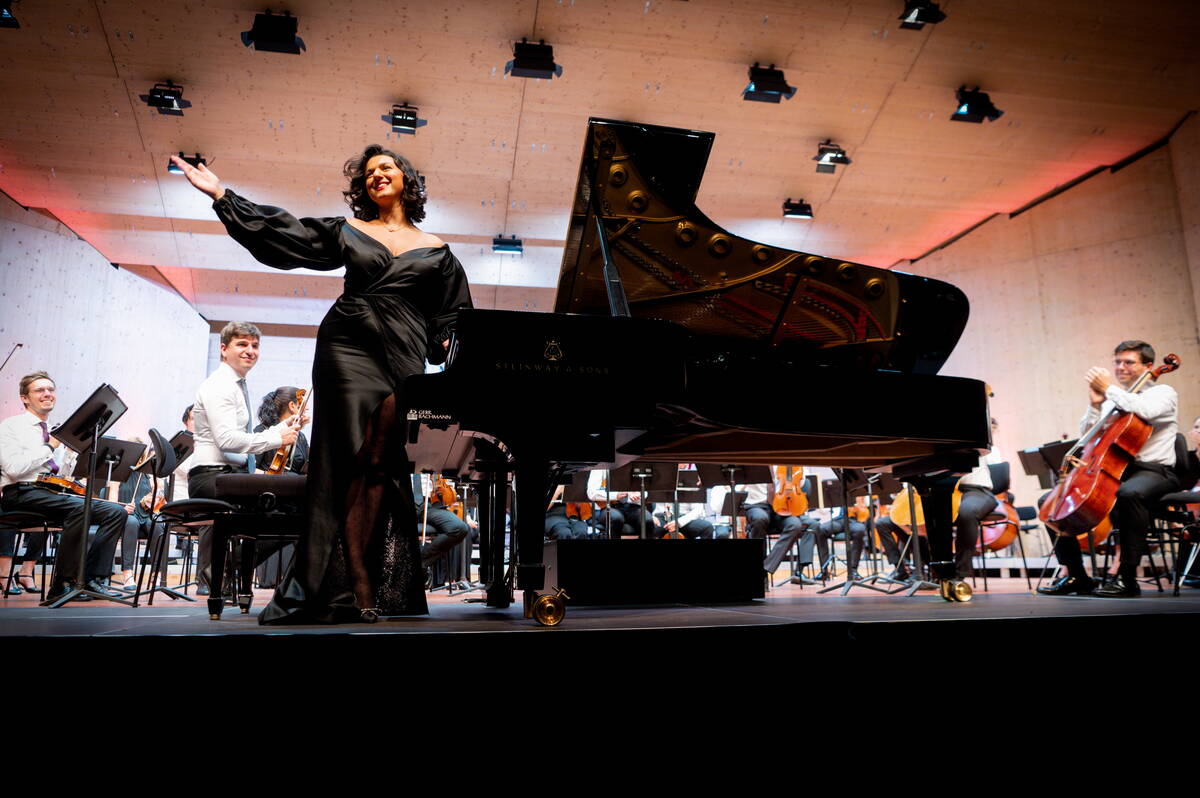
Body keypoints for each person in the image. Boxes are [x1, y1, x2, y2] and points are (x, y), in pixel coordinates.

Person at [172, 144, 472, 623]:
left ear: (407, 180)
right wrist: (224, 196)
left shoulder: (438, 251)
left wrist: (446, 349)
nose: (377, 175)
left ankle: (362, 575)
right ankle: (352, 582)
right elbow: (287, 236)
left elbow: (454, 317)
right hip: (346, 346)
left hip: (404, 353)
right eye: (369, 172)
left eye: (387, 168)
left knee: (381, 464)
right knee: (347, 462)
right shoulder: (347, 230)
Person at [1038, 340, 1179, 598]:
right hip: (1115, 470)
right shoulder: (1111, 400)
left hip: (1154, 471)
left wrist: (1109, 389)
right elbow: (1087, 436)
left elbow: (1144, 410)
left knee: (1129, 494)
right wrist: (1094, 405)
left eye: (1128, 362)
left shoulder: (1163, 393)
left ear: (1148, 366)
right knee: (1050, 501)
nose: (1120, 367)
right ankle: (1076, 576)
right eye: (1117, 361)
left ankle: (1127, 579)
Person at [187, 322, 301, 593]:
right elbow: (228, 441)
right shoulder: (220, 385)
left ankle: (232, 567)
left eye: (255, 345)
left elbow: (239, 438)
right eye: (242, 344)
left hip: (227, 475)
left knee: (296, 501)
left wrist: (286, 427)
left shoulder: (235, 384)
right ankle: (230, 566)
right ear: (224, 350)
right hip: (211, 477)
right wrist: (277, 438)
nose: (250, 351)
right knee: (297, 501)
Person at [0, 371, 128, 602]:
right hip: (21, 492)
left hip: (52, 493)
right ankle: (62, 584)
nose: (47, 394)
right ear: (25, 398)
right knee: (80, 509)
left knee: (115, 512)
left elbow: (60, 474)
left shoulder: (57, 432)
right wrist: (49, 447)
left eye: (50, 389)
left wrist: (70, 456)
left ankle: (91, 579)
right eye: (40, 390)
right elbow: (13, 469)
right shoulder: (11, 426)